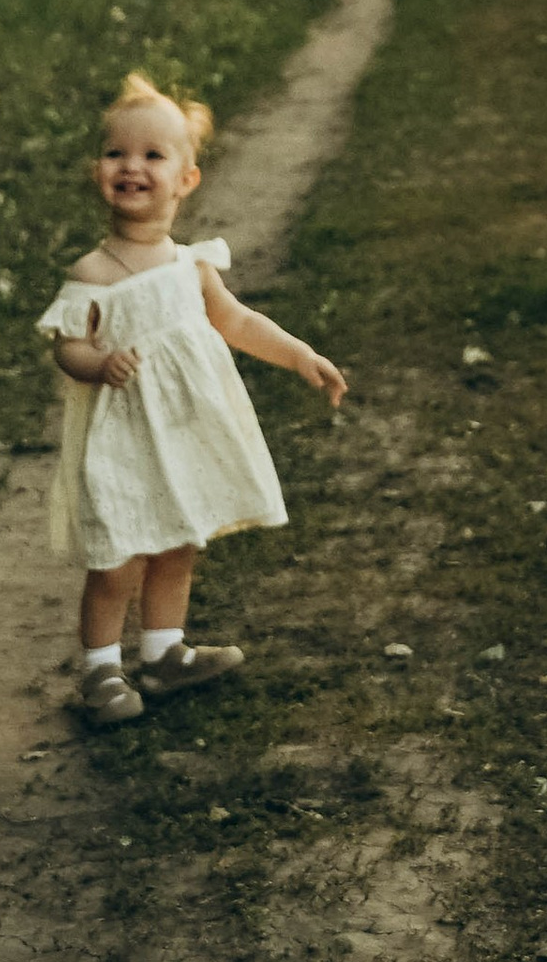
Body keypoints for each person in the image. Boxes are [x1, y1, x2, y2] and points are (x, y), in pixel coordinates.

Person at [38, 72, 348, 729]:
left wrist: (298, 353)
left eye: (154, 155)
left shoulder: (191, 265)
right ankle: (99, 669)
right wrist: (98, 362)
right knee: (117, 558)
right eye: (119, 153)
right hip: (122, 441)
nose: (134, 166)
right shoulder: (92, 273)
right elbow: (66, 345)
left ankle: (163, 652)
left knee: (178, 543)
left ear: (186, 179)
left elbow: (236, 322)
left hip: (179, 435)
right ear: (99, 170)